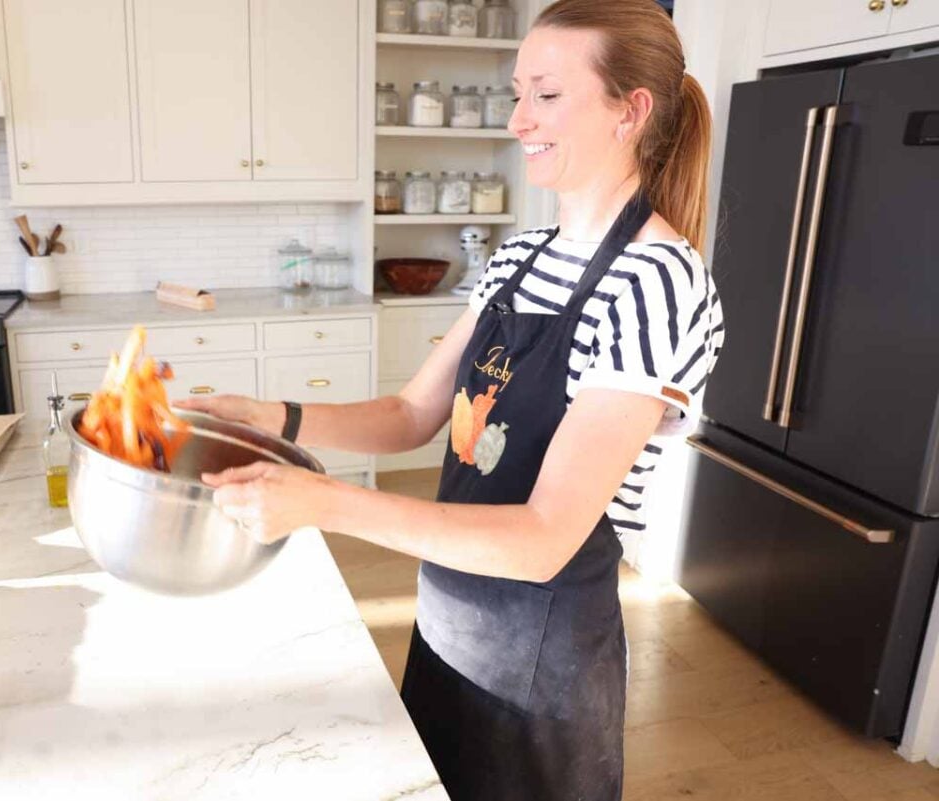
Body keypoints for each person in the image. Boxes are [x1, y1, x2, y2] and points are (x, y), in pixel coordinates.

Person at [176, 0, 724, 797]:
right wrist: (273, 418)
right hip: (449, 621)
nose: (516, 120)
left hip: (540, 662)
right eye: (516, 93)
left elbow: (543, 540)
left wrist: (323, 502)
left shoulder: (658, 285)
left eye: (546, 94)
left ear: (629, 111)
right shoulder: (521, 257)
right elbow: (412, 415)